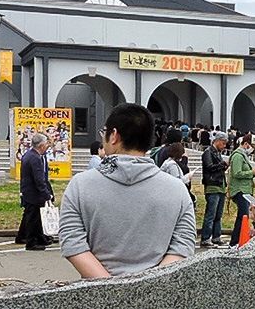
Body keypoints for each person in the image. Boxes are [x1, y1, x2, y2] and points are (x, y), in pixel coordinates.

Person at [59, 103, 196, 278]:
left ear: (114, 136)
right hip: (157, 290)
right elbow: (183, 245)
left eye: (104, 132)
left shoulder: (80, 185)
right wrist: (148, 284)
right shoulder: (177, 189)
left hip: (95, 291)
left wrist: (110, 286)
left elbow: (72, 243)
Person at [227, 134, 255, 245]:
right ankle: (235, 242)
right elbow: (237, 173)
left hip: (245, 189)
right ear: (246, 144)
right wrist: (252, 172)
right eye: (252, 147)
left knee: (243, 216)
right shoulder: (238, 156)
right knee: (243, 216)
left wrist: (254, 173)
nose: (252, 150)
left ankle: (236, 241)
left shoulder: (243, 155)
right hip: (240, 190)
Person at [18, 133, 54, 251]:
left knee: (36, 217)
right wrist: (46, 194)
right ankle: (31, 242)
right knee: (33, 218)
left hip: (28, 191)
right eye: (46, 144)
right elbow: (39, 179)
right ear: (41, 145)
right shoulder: (35, 158)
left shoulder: (28, 155)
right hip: (33, 193)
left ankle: (39, 238)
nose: (47, 146)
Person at [200, 132, 228, 248]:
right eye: (223, 143)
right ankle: (206, 238)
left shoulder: (217, 153)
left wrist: (223, 166)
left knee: (218, 214)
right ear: (217, 141)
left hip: (220, 185)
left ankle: (216, 236)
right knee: (211, 214)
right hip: (212, 186)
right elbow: (209, 167)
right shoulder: (208, 152)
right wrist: (222, 164)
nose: (224, 146)